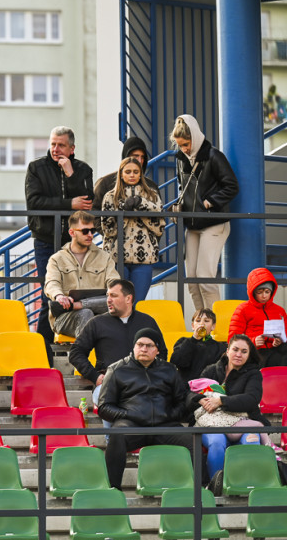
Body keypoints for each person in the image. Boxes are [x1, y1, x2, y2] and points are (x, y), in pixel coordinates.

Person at [24, 126, 95, 357]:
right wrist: (68, 204)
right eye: (53, 144)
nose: (55, 149)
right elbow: (34, 203)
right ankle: (41, 352)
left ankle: (74, 348)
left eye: (61, 145)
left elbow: (86, 203)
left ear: (71, 148)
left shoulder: (82, 169)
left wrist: (70, 174)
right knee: (50, 294)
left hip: (74, 242)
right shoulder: (36, 168)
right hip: (45, 240)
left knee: (77, 294)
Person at [97, 328, 195, 488]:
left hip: (164, 425)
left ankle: (201, 488)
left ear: (157, 350)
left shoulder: (169, 370)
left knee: (192, 440)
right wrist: (129, 414)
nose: (143, 349)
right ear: (134, 346)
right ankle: (112, 489)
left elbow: (182, 401)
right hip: (132, 425)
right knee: (117, 435)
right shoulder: (116, 370)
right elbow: (104, 407)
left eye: (149, 345)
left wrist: (170, 415)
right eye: (140, 344)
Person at [170, 114, 239, 311]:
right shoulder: (181, 159)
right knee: (192, 281)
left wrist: (210, 202)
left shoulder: (214, 156)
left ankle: (214, 324)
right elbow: (182, 186)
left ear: (195, 137)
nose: (184, 149)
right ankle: (202, 322)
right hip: (192, 224)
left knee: (205, 279)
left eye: (186, 144)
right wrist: (180, 205)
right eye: (180, 145)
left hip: (214, 222)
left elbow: (232, 186)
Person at [69, 279, 167, 408]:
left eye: (113, 296)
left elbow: (162, 352)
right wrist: (95, 376)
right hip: (109, 385)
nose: (108, 300)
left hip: (143, 384)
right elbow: (76, 353)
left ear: (128, 299)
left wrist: (151, 375)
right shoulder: (97, 323)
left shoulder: (147, 322)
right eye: (107, 295)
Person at [192, 334, 266, 479]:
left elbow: (251, 399)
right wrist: (200, 400)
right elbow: (191, 392)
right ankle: (215, 484)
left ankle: (245, 484)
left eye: (244, 351)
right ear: (227, 351)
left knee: (251, 440)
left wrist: (221, 401)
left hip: (243, 422)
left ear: (249, 355)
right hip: (212, 423)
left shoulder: (254, 374)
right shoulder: (211, 370)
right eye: (235, 349)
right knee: (217, 441)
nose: (239, 354)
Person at [44, 211, 120, 338]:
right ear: (72, 232)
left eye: (92, 231)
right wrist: (59, 296)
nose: (90, 235)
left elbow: (114, 282)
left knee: (118, 300)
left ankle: (77, 306)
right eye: (85, 231)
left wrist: (116, 292)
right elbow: (52, 283)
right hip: (66, 315)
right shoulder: (57, 259)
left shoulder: (105, 257)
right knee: (86, 313)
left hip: (100, 313)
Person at [100, 156, 164, 301]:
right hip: (116, 257)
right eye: (128, 172)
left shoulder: (152, 195)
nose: (132, 175)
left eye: (136, 172)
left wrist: (140, 204)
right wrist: (125, 212)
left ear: (141, 174)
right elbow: (108, 230)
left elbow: (159, 227)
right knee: (118, 303)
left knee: (137, 303)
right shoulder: (110, 197)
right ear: (121, 174)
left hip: (144, 258)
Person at [227, 267, 287, 367]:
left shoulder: (279, 310)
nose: (264, 296)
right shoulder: (243, 309)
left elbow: (285, 332)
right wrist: (252, 341)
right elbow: (233, 338)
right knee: (277, 360)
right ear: (253, 292)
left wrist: (279, 340)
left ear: (272, 292)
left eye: (267, 292)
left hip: (276, 349)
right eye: (260, 292)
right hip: (255, 350)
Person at [92, 136, 149, 209]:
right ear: (126, 157)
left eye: (142, 157)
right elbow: (94, 212)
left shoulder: (151, 187)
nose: (140, 161)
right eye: (135, 156)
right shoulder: (105, 184)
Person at [170, 308, 225, 384]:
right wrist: (194, 339)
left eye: (206, 321)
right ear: (193, 326)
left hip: (207, 387)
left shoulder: (220, 347)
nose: (202, 324)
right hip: (185, 387)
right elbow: (177, 362)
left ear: (213, 326)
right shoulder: (183, 342)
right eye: (198, 321)